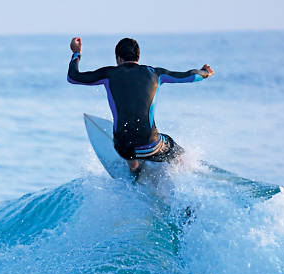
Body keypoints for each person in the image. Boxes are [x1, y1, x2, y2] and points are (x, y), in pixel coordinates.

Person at [68, 37, 214, 176]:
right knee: (172, 148)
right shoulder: (155, 73)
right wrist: (205, 72)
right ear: (138, 57)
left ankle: (134, 169)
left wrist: (76, 53)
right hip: (151, 145)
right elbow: (190, 75)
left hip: (123, 146)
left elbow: (73, 77)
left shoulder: (109, 74)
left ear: (118, 58)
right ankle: (184, 165)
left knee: (127, 148)